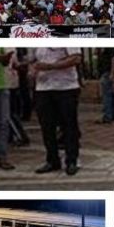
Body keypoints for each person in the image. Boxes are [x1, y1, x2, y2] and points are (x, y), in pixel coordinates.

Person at [31, 48, 83, 176]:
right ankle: (52, 160)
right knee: (47, 126)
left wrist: (51, 66)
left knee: (69, 125)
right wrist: (31, 70)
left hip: (66, 87)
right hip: (43, 87)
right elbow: (32, 60)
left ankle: (71, 160)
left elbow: (76, 58)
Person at [95, 48, 114, 124]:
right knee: (110, 94)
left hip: (107, 72)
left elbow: (113, 59)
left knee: (106, 95)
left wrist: (112, 73)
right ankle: (112, 114)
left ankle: (108, 115)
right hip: (105, 71)